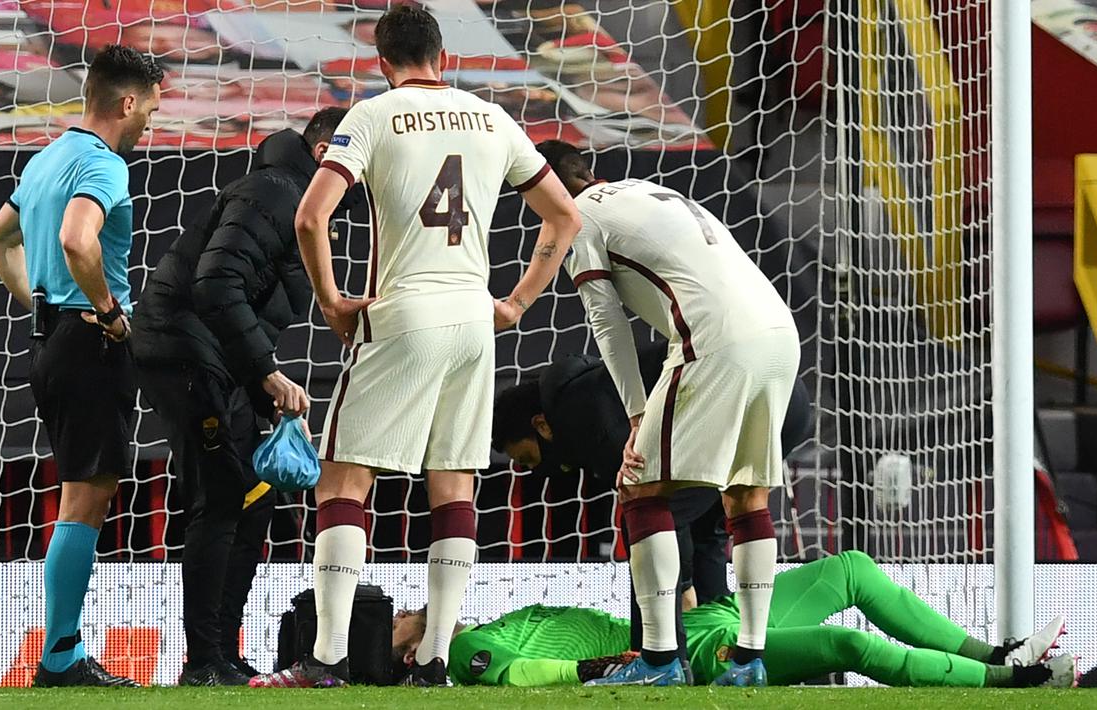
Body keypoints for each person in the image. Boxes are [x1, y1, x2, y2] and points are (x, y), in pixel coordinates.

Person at [254, 4, 581, 689]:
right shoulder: (492, 117)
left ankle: (327, 657)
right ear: (441, 54)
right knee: (454, 484)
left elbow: (311, 215)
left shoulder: (371, 116)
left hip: (403, 311)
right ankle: (432, 658)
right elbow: (565, 214)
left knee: (344, 476)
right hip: (472, 319)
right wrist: (516, 303)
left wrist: (333, 301)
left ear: (382, 60)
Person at [535, 140, 798, 687]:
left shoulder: (578, 218)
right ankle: (749, 660)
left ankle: (657, 661)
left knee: (640, 487)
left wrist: (635, 414)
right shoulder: (653, 193)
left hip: (715, 340)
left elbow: (607, 324)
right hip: (780, 333)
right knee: (746, 494)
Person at [130, 108, 356, 686]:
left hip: (214, 362)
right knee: (224, 497)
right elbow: (215, 283)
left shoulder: (302, 204)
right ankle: (204, 661)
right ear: (327, 148)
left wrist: (261, 382)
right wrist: (265, 373)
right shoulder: (276, 191)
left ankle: (221, 654)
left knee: (254, 499)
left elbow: (245, 306)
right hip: (184, 354)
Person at [0, 44, 162, 687]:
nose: (151, 125)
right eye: (151, 111)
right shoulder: (103, 165)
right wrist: (109, 314)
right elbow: (77, 239)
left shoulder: (45, 158)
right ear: (127, 102)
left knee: (80, 493)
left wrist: (44, 306)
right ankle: (59, 658)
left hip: (54, 341)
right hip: (88, 346)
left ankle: (61, 653)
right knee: (84, 499)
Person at [491, 344, 813, 661]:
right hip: (786, 398)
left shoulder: (586, 416)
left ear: (542, 425)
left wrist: (683, 588)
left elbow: (659, 511)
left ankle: (658, 656)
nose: (536, 470)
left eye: (528, 458)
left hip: (742, 399)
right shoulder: (591, 393)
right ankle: (722, 644)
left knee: (646, 521)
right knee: (708, 525)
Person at [391, 552, 1077, 689]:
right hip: (690, 657)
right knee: (844, 645)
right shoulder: (460, 655)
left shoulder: (483, 623)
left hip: (698, 623)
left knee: (850, 571)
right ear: (401, 655)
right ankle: (1009, 684)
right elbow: (517, 676)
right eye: (393, 620)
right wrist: (604, 667)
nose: (407, 609)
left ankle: (995, 652)